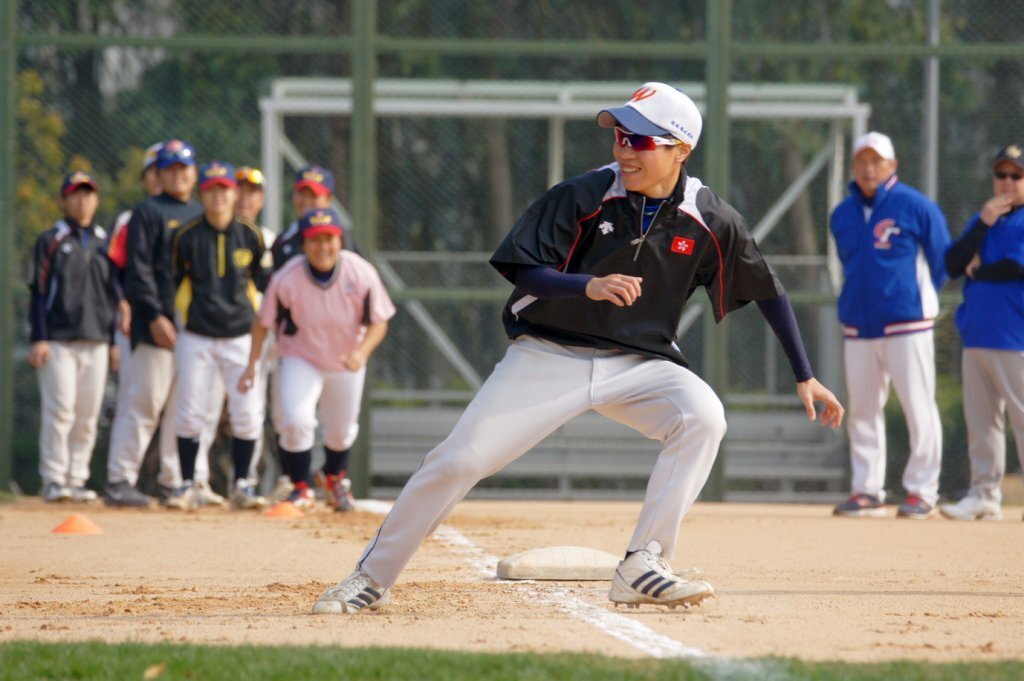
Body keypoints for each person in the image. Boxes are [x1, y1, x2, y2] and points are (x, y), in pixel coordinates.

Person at [310, 82, 844, 615]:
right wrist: (586, 285)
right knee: (458, 460)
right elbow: (523, 269)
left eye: (641, 141)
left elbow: (767, 289)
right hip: (549, 354)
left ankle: (644, 562)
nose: (624, 150)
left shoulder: (711, 218)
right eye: (620, 137)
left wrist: (804, 374)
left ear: (681, 149)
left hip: (640, 364)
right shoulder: (585, 194)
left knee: (703, 415)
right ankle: (371, 577)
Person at [829, 132, 951, 520]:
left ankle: (923, 491)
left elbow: (942, 262)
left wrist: (914, 300)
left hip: (907, 323)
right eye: (862, 161)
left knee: (918, 405)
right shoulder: (842, 213)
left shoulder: (917, 206)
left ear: (892, 165)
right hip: (858, 325)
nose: (869, 168)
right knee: (863, 409)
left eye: (876, 161)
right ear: (853, 166)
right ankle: (867, 490)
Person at [239, 208, 395, 512]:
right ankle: (300, 486)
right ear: (304, 244)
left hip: (347, 358)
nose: (322, 247)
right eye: (314, 240)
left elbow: (380, 321)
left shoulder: (359, 272)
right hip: (301, 356)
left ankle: (333, 477)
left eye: (329, 239)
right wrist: (251, 365)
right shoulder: (287, 277)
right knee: (295, 420)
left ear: (340, 241)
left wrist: (361, 352)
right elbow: (263, 321)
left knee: (341, 431)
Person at [106, 139, 228, 507]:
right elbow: (138, 270)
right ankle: (119, 479)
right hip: (155, 325)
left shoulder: (201, 212)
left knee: (184, 407)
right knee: (145, 402)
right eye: (169, 168)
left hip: (195, 328)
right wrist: (155, 315)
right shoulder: (147, 212)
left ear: (194, 172)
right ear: (158, 174)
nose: (177, 175)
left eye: (183, 168)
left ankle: (178, 482)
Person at [165, 161, 271, 510]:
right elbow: (173, 280)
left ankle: (243, 484)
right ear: (202, 193)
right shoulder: (186, 235)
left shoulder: (251, 235)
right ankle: (186, 483)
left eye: (224, 189)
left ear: (234, 192)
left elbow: (263, 283)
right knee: (190, 410)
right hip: (196, 334)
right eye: (211, 189)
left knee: (247, 412)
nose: (218, 196)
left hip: (240, 335)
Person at [940, 144, 1024, 522]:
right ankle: (984, 494)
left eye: (1016, 175)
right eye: (1001, 174)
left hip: (1015, 335)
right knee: (982, 422)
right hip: (976, 333)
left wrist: (977, 270)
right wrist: (982, 223)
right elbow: (952, 263)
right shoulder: (986, 219)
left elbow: (1014, 268)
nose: (1007, 181)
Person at [27, 171, 119, 503]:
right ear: (64, 200)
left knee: (87, 415)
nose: (83, 201)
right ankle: (53, 479)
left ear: (96, 199)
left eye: (88, 194)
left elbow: (113, 294)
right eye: (76, 194)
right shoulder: (52, 239)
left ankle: (76, 479)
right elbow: (38, 291)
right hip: (59, 340)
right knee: (61, 410)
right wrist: (40, 337)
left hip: (96, 340)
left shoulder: (105, 241)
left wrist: (113, 342)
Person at [270, 165, 359, 273]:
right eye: (301, 194)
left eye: (313, 195)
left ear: (329, 199)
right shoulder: (284, 239)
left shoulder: (341, 238)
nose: (306, 201)